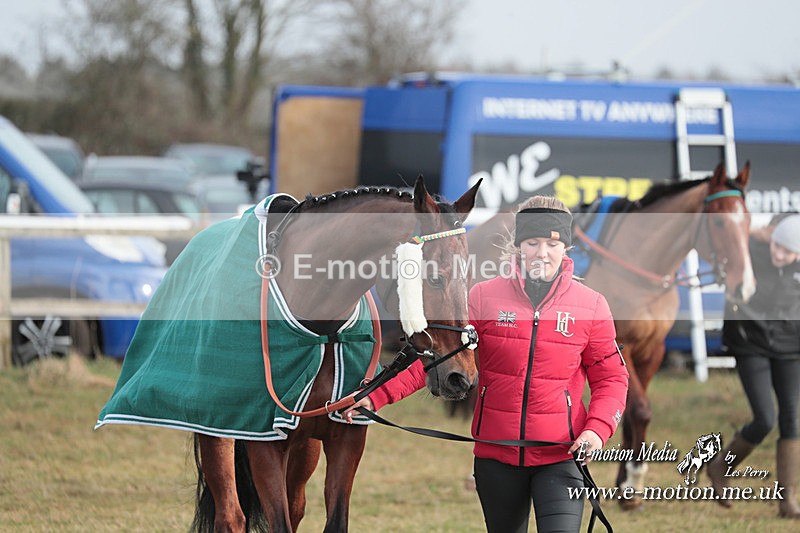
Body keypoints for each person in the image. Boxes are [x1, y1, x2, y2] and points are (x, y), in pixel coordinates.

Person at [344, 196, 629, 532]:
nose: (541, 252)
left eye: (552, 244)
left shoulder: (591, 306)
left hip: (562, 458)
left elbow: (612, 379)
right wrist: (375, 396)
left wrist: (597, 431)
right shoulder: (483, 297)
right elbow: (441, 354)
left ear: (565, 248)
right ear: (518, 246)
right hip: (496, 459)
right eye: (532, 242)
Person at [709, 214, 800, 518]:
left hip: (790, 348)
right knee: (765, 418)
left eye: (787, 252)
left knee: (793, 420)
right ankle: (722, 465)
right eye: (777, 246)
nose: (779, 254)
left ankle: (787, 501)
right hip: (750, 344)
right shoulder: (750, 249)